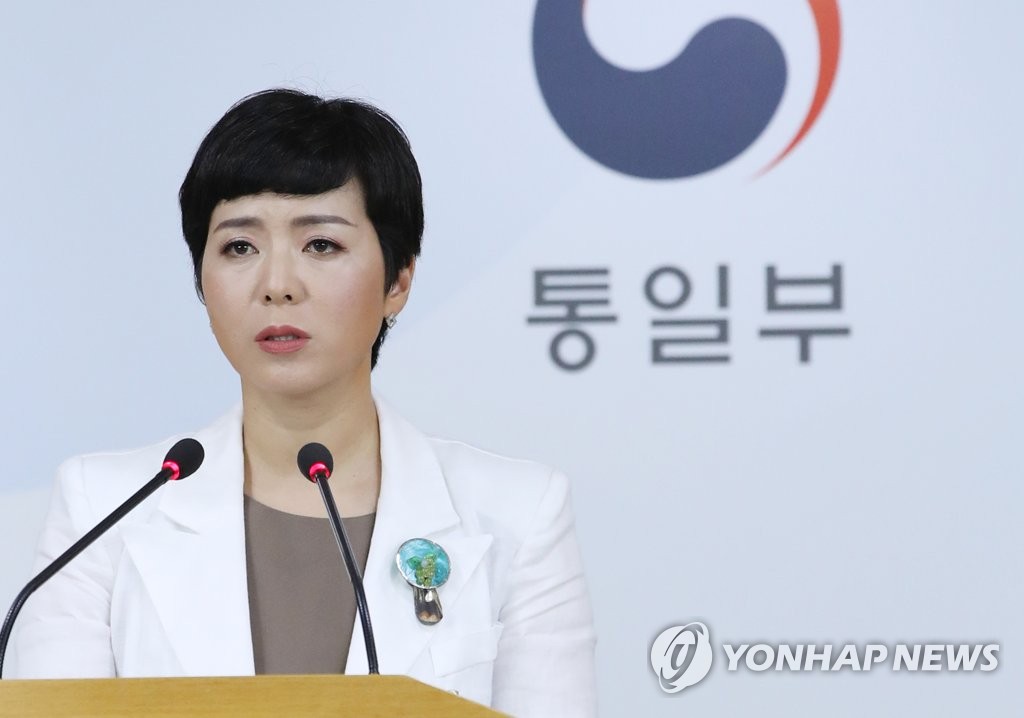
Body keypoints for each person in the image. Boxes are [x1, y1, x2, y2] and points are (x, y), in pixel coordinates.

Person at [9, 89, 597, 716]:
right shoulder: (101, 512)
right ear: (201, 278)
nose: (277, 285)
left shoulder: (517, 514)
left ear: (398, 279)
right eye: (239, 247)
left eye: (320, 244)